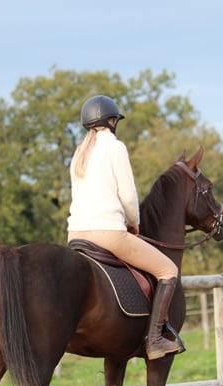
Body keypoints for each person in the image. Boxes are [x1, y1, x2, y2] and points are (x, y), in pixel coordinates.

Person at [67, 95, 182, 360]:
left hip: (75, 235)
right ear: (112, 120)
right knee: (167, 270)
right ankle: (154, 340)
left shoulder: (79, 153)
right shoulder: (115, 147)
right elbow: (128, 196)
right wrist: (134, 223)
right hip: (108, 232)